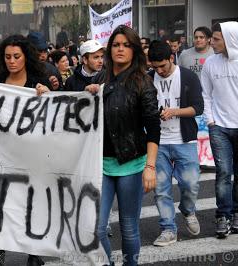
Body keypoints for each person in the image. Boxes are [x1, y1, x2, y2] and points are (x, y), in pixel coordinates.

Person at [86, 25, 160, 266]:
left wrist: (150, 167)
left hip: (132, 164)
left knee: (129, 228)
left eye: (126, 45)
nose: (120, 49)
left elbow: (153, 129)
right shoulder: (100, 78)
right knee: (96, 229)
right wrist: (88, 95)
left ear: (134, 50)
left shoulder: (143, 83)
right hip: (101, 165)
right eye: (116, 45)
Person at [0, 34, 50, 266]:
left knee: (30, 207)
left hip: (31, 158)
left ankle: (34, 255)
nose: (11, 61)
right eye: (7, 57)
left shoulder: (37, 81)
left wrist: (47, 95)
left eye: (16, 56)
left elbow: (56, 111)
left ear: (26, 57)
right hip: (1, 158)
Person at [148, 40, 203, 246]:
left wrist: (174, 112)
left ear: (171, 58)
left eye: (162, 66)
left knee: (191, 184)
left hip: (184, 140)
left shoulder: (188, 76)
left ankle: (188, 210)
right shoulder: (147, 78)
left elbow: (198, 107)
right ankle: (168, 229)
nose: (159, 71)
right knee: (161, 189)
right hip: (157, 143)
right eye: (155, 67)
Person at [201, 21, 238, 238]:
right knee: (224, 173)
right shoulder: (210, 63)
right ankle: (222, 215)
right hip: (219, 128)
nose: (211, 42)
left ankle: (236, 213)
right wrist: (211, 121)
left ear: (230, 39)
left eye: (216, 39)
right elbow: (205, 94)